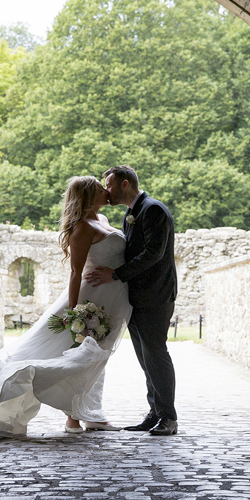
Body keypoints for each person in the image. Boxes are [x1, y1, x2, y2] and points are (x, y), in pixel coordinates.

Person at [0, 176, 131, 438]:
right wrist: (75, 312)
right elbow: (76, 273)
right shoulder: (82, 228)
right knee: (78, 355)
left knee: (94, 357)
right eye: (101, 189)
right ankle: (72, 414)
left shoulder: (102, 221)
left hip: (113, 297)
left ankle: (82, 416)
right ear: (89, 195)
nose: (106, 192)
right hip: (92, 300)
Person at [85, 165, 179, 436]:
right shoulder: (131, 213)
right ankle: (155, 412)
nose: (107, 192)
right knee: (145, 358)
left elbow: (154, 253)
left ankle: (169, 418)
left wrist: (116, 274)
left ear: (125, 184)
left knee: (156, 355)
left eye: (110, 186)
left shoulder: (153, 210)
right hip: (136, 296)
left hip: (156, 295)